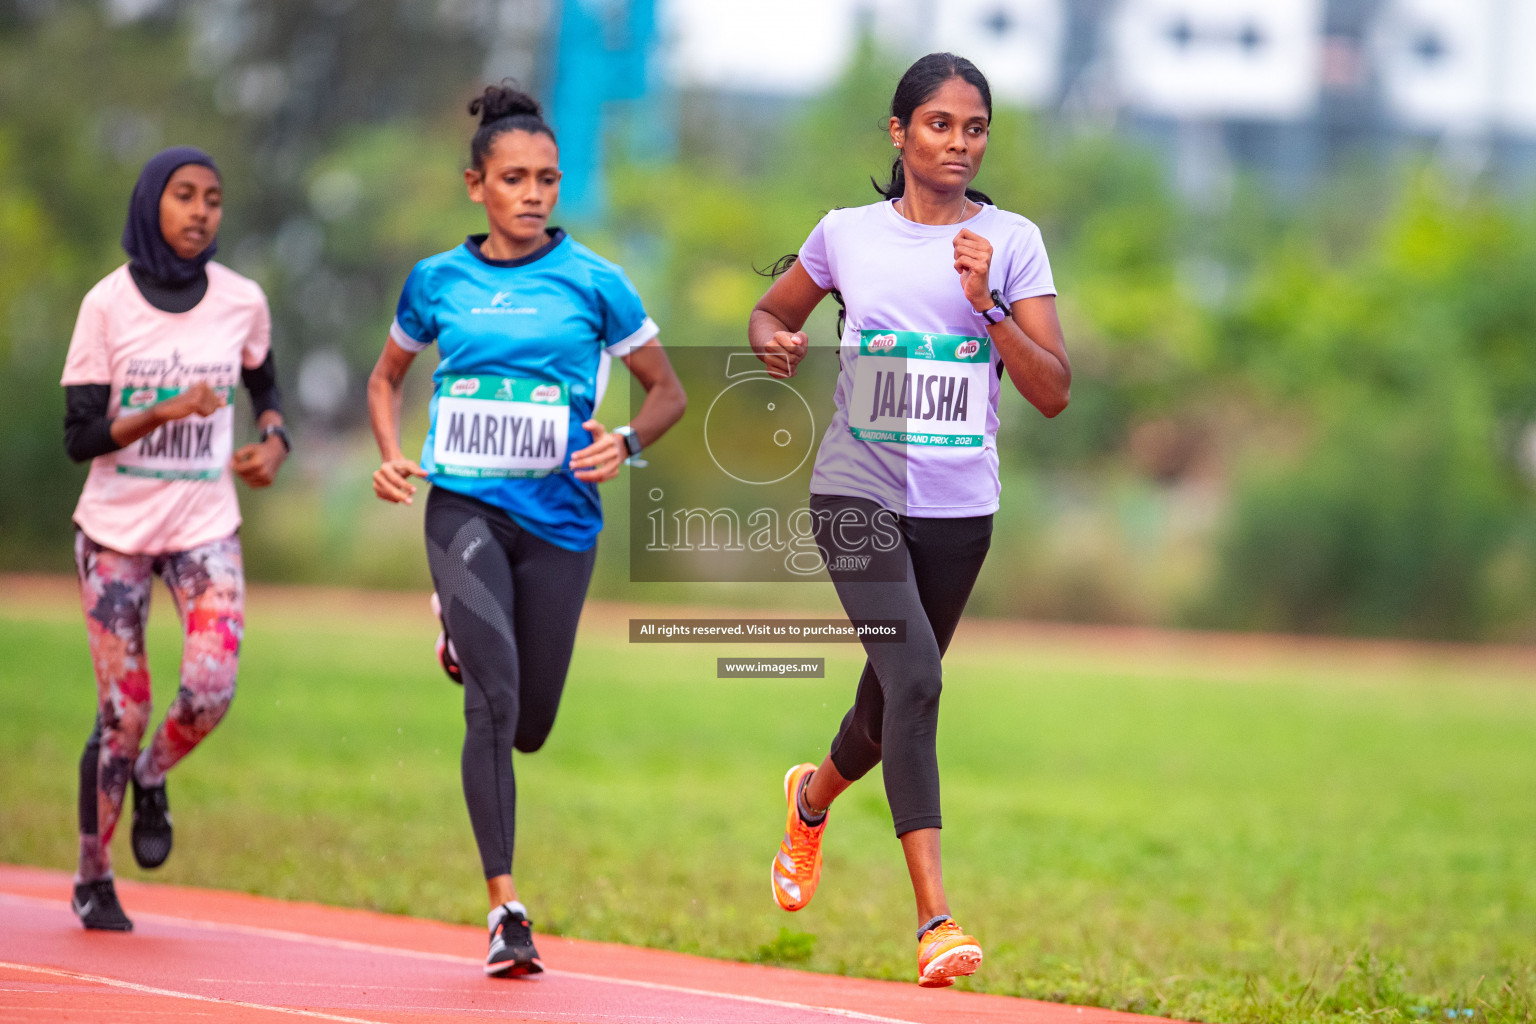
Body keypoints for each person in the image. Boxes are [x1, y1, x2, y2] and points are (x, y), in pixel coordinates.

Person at [747, 52, 1071, 987]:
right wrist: (776, 342)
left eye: (975, 128)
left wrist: (990, 305)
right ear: (900, 134)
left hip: (960, 509)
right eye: (939, 124)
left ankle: (810, 800)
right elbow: (773, 313)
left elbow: (1051, 391)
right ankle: (935, 920)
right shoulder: (846, 234)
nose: (959, 142)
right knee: (920, 680)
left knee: (888, 706)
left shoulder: (1011, 243)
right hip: (857, 491)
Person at [367, 83, 686, 978]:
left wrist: (622, 442)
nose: (534, 193)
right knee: (493, 698)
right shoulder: (437, 282)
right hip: (464, 507)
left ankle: (463, 641)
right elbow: (386, 378)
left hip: (561, 522)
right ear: (477, 185)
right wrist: (393, 453)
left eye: (546, 178)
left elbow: (668, 393)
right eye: (514, 179)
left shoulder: (596, 282)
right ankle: (507, 907)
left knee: (531, 723)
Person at [61, 146, 290, 932]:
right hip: (116, 532)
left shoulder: (240, 301)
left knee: (210, 689)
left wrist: (275, 437)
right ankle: (94, 875)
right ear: (151, 203)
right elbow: (79, 436)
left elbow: (265, 379)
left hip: (204, 527)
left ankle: (154, 778)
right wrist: (162, 410)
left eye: (214, 199)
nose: (201, 211)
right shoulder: (107, 306)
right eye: (185, 196)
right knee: (121, 715)